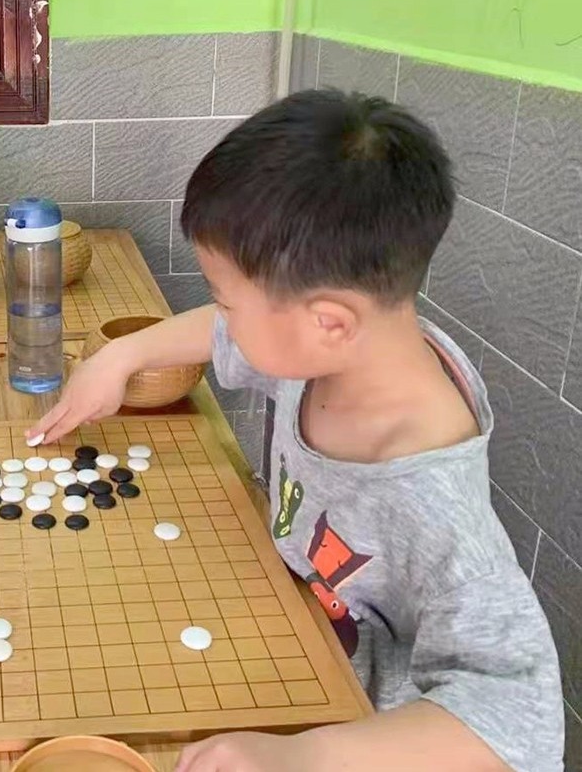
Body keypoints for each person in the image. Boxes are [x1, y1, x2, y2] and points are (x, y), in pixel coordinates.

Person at [28, 90, 564, 772]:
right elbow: (221, 333)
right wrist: (122, 355)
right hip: (284, 643)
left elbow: (520, 722)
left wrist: (304, 754)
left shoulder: (429, 496)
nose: (222, 317)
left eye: (226, 299)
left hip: (352, 733)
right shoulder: (335, 349)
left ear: (329, 321)